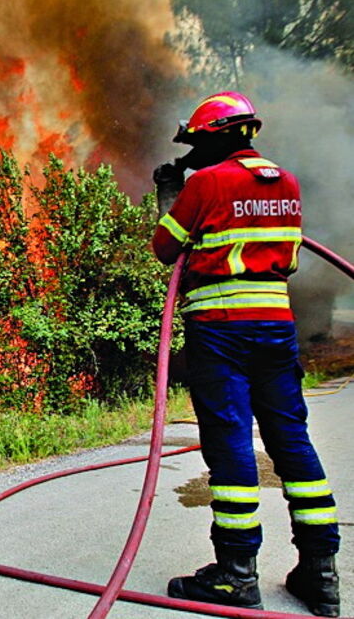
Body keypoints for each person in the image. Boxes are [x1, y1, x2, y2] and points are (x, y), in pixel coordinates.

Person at [152, 92, 341, 617]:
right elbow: (289, 254)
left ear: (212, 138)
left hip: (221, 331)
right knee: (291, 441)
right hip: (276, 326)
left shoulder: (208, 183)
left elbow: (167, 248)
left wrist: (171, 191)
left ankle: (235, 577)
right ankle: (321, 574)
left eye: (196, 141)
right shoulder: (286, 182)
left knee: (231, 441)